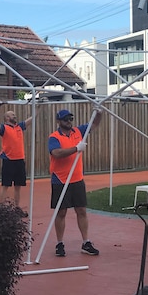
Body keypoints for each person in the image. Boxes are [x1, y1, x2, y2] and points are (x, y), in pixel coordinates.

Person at [48, 108, 102, 257]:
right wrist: (76, 148)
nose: (69, 122)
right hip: (60, 179)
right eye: (65, 119)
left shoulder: (78, 131)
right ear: (59, 121)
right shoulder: (54, 137)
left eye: (70, 119)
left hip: (77, 179)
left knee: (81, 210)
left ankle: (86, 242)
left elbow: (94, 124)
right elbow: (56, 153)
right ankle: (59, 243)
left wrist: (99, 112)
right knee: (61, 212)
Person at [0, 101, 33, 207]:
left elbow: (32, 119)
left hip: (19, 160)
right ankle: (0, 208)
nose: (15, 116)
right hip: (9, 160)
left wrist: (39, 108)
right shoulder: (4, 128)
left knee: (18, 186)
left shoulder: (19, 127)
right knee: (5, 185)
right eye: (12, 115)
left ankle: (17, 207)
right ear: (7, 118)